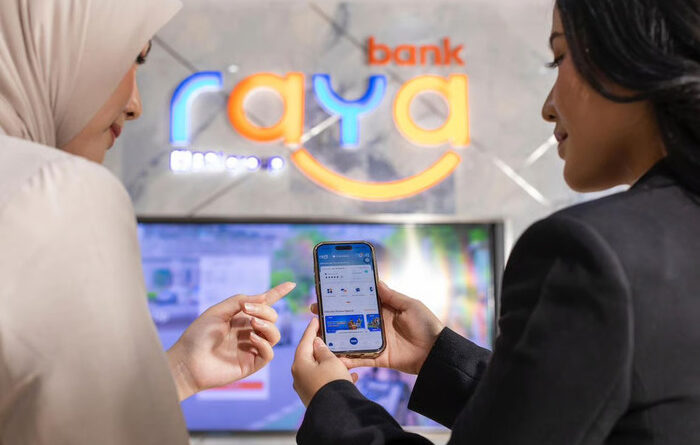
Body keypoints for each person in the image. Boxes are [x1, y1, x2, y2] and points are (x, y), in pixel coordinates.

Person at [291, 0, 700, 443]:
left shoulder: (590, 251)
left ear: (635, 54)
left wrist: (331, 400)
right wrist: (439, 357)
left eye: (560, 57)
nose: (548, 107)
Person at [0, 1, 293, 443]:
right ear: (61, 46)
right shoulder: (55, 190)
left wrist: (180, 372)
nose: (135, 106)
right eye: (132, 58)